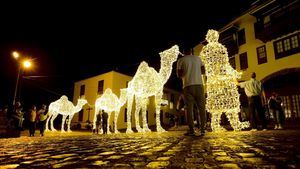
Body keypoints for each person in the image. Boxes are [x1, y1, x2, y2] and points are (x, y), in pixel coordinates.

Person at [176, 47, 206, 136]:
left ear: (183, 52)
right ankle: (202, 129)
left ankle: (192, 130)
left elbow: (179, 75)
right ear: (192, 51)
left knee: (189, 109)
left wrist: (186, 72)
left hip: (187, 85)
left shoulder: (181, 60)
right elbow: (203, 71)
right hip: (199, 85)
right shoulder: (198, 59)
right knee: (201, 108)